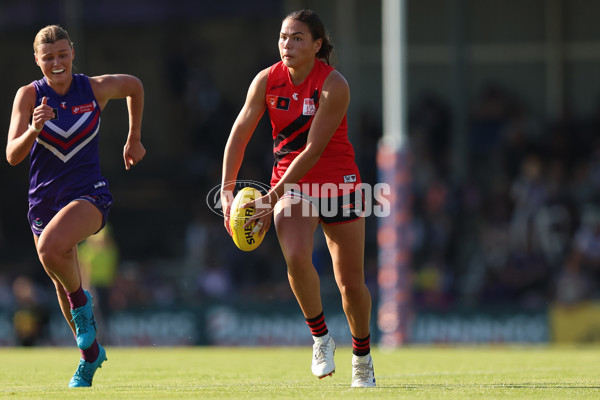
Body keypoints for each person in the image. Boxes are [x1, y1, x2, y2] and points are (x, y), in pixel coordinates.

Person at [221, 10, 375, 388]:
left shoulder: (334, 85)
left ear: (317, 45)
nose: (287, 45)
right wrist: (226, 191)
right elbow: (239, 133)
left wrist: (271, 197)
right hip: (293, 187)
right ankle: (321, 338)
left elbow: (312, 150)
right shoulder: (266, 80)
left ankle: (362, 357)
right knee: (294, 256)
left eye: (297, 38)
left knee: (351, 285)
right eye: (283, 37)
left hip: (338, 184)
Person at [6, 25, 145, 387]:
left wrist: (133, 138)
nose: (56, 63)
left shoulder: (93, 88)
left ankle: (83, 308)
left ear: (72, 54)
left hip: (89, 193)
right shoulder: (29, 96)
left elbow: (134, 86)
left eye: (62, 54)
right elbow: (12, 155)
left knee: (52, 250)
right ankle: (89, 356)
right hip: (44, 201)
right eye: (48, 57)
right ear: (36, 60)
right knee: (56, 269)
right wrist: (33, 129)